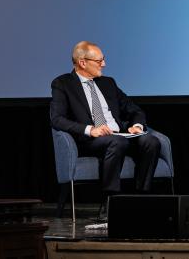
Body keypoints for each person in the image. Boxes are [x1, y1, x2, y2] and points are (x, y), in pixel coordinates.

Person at [50, 41, 161, 212]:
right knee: (117, 142)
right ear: (82, 62)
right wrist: (90, 130)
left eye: (104, 59)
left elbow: (134, 109)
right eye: (99, 61)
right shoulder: (63, 84)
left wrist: (136, 126)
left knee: (150, 141)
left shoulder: (108, 83)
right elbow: (57, 119)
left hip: (120, 135)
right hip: (91, 140)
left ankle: (142, 197)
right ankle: (111, 201)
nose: (104, 64)